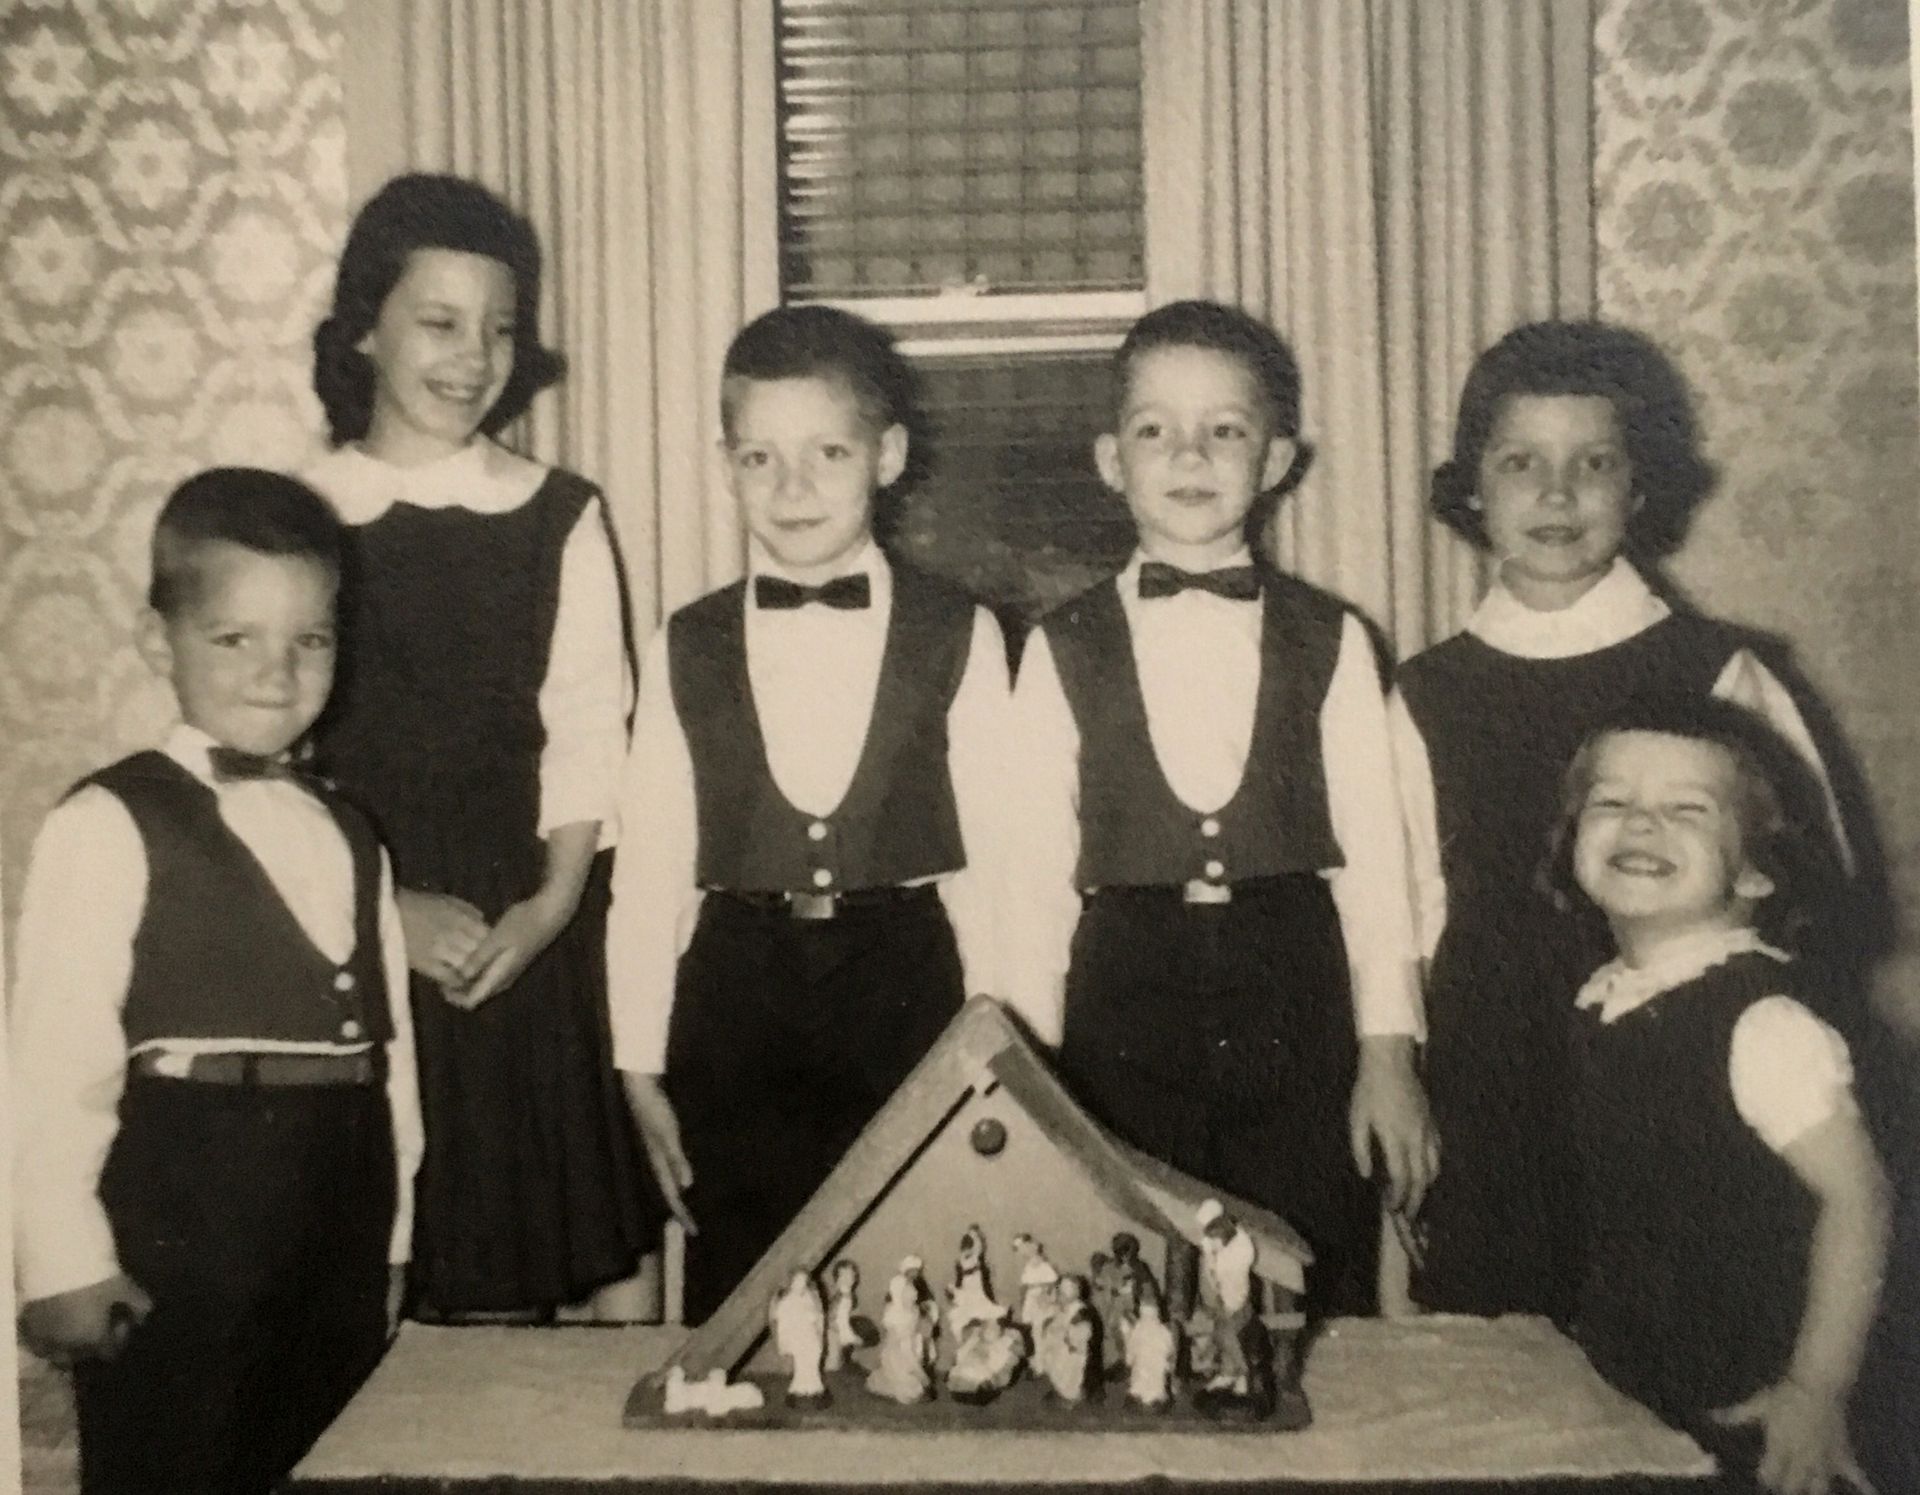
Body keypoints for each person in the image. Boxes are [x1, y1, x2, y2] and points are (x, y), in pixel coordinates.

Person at [1392, 321, 1849, 1326]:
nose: (1557, 494)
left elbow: (1805, 891)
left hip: (1681, 1065)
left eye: (1594, 463)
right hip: (1492, 1068)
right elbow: (1409, 911)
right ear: (1472, 489)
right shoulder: (1424, 691)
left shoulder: (1716, 670)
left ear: (1641, 488)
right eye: (1521, 462)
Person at [1003, 299, 1435, 1314]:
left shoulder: (1334, 638)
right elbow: (1030, 883)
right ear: (1111, 460)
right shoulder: (1061, 644)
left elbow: (1379, 865)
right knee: (1130, 1267)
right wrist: (1030, 1068)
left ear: (1276, 459)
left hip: (1295, 983)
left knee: (1306, 1262)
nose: (1190, 454)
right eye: (1156, 429)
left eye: (1225, 430)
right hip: (1122, 990)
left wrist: (1388, 1053)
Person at [9, 470, 423, 1494]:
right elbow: (54, 1066)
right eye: (235, 638)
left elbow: (391, 1058)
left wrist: (392, 1238)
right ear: (160, 643)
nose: (278, 673)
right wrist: (62, 1258)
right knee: (176, 1458)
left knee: (329, 1461)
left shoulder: (352, 833)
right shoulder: (109, 821)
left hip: (340, 1189)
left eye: (310, 640)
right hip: (187, 1196)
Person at [606, 304, 1009, 1324]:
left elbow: (999, 867)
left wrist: (1001, 1038)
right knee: (747, 1298)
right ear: (726, 464)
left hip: (907, 981)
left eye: (827, 453)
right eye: (760, 458)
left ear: (888, 456)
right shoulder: (684, 643)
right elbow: (650, 873)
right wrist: (639, 1062)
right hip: (734, 994)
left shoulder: (959, 631)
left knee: (918, 1286)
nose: (792, 488)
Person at [305, 172, 652, 1320]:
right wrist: (381, 909)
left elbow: (589, 735)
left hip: (527, 926)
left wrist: (548, 909)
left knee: (543, 1279)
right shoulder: (300, 512)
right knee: (401, 1294)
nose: (474, 358)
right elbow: (275, 772)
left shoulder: (561, 512)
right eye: (440, 322)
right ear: (365, 328)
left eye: (499, 329)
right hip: (363, 927)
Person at [1546, 693, 1890, 1495]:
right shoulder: (1606, 996)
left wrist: (1817, 1388)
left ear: (1756, 869)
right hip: (1647, 1394)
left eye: (1686, 810)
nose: (1641, 822)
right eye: (1612, 802)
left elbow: (1860, 1199)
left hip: (1757, 1410)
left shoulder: (1764, 1022)